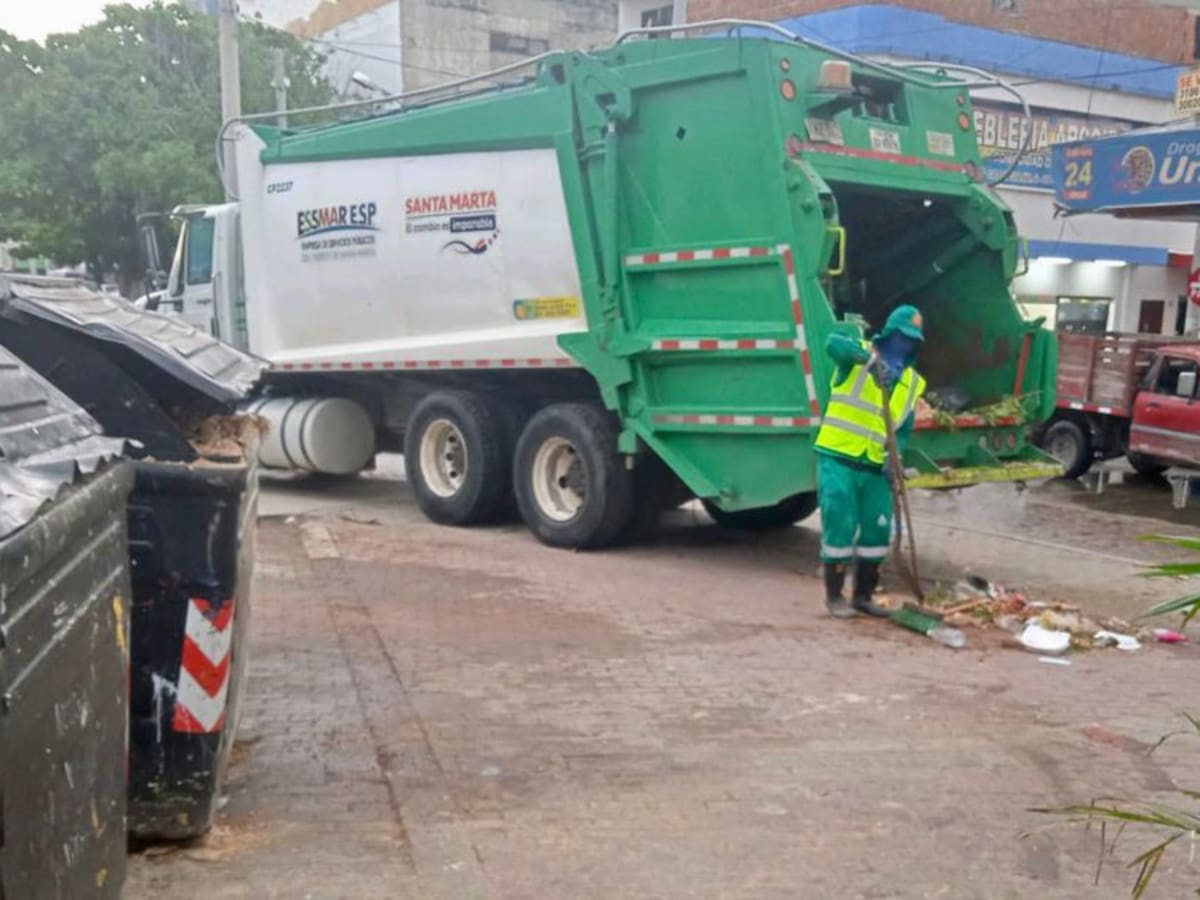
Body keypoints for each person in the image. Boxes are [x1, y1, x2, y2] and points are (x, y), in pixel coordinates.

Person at [814, 305, 927, 619]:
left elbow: (902, 430)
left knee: (877, 533)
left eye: (912, 340)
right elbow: (832, 343)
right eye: (901, 336)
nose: (905, 344)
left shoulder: (912, 382)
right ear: (888, 333)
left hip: (876, 468)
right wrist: (869, 360)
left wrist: (895, 456)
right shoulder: (857, 356)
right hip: (838, 458)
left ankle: (863, 596)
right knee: (840, 524)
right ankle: (834, 596)